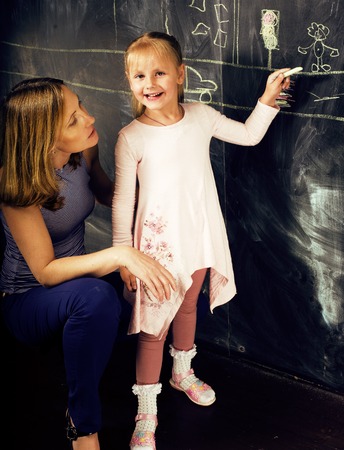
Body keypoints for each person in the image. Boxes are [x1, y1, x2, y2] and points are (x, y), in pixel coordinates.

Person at [111, 31, 291, 450]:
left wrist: (267, 98)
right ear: (129, 81)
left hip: (196, 234)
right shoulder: (130, 137)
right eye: (138, 76)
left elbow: (248, 135)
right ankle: (146, 411)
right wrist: (124, 256)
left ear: (180, 75)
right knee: (153, 329)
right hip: (154, 249)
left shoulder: (201, 115)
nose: (149, 83)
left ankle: (182, 372)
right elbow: (123, 199)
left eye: (159, 72)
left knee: (189, 305)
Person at [0, 77, 176, 450]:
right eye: (72, 119)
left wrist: (161, 190)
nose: (89, 117)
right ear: (43, 137)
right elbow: (46, 272)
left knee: (139, 285)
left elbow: (110, 194)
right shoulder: (16, 185)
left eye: (80, 106)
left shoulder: (82, 154)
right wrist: (121, 254)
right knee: (98, 295)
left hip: (79, 286)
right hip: (27, 299)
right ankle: (83, 428)